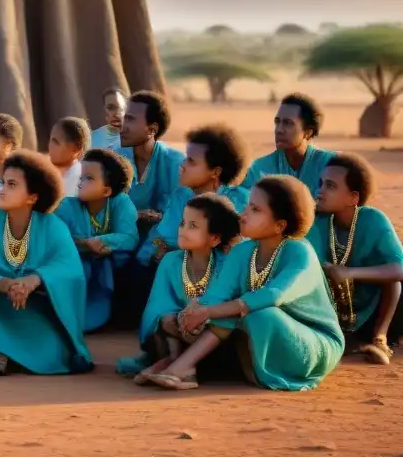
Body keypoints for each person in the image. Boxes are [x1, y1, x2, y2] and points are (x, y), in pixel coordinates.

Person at [144, 176, 345, 391]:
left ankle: (183, 367)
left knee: (258, 311)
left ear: (280, 225)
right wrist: (194, 310)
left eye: (256, 210)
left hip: (312, 344)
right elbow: (218, 295)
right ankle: (182, 368)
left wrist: (209, 311)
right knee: (226, 311)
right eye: (248, 205)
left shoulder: (300, 252)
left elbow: (274, 295)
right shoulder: (242, 251)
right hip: (261, 335)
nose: (244, 213)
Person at [0, 150, 92, 375]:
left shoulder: (53, 226)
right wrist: (2, 283)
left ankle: (5, 353)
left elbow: (69, 269)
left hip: (32, 308)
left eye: (12, 185)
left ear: (33, 197)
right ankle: (3, 352)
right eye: (3, 183)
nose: (2, 190)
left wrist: (34, 280)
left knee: (52, 342)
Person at [116, 193, 241, 381]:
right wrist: (175, 318)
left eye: (193, 226)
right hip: (177, 332)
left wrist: (197, 315)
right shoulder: (171, 261)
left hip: (210, 335)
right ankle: (171, 360)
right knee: (161, 317)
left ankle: (186, 367)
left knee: (217, 327)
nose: (182, 230)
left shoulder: (227, 265)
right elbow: (158, 301)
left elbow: (224, 302)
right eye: (183, 223)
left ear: (215, 238)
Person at [308, 153, 403, 364]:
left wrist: (350, 273)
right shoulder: (315, 220)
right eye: (321, 183)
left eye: (330, 186)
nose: (320, 192)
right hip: (331, 310)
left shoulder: (373, 220)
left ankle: (380, 338)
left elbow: (400, 269)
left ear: (353, 198)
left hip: (373, 310)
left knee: (393, 280)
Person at [138, 124, 250, 267]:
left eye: (191, 161)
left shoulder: (240, 201)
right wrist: (153, 255)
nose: (182, 165)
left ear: (215, 172)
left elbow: (241, 251)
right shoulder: (181, 196)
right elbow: (164, 238)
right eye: (186, 158)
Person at [54, 148, 138, 331]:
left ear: (107, 190)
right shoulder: (67, 206)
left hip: (109, 273)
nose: (80, 183)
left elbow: (129, 237)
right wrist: (86, 246)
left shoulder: (121, 203)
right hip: (74, 271)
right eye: (81, 177)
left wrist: (102, 242)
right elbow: (55, 241)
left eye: (89, 178)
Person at [243, 92, 333, 198]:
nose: (279, 130)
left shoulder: (331, 165)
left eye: (288, 123)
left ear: (308, 132)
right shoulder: (259, 169)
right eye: (277, 122)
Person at [119, 91, 184, 237]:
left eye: (130, 119)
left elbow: (178, 215)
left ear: (152, 129)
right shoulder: (114, 158)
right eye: (124, 118)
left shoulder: (176, 164)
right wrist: (135, 215)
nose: (122, 126)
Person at [47, 116, 90, 198]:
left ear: (76, 149)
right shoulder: (47, 174)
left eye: (56, 142)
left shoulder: (81, 182)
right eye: (50, 140)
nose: (50, 146)